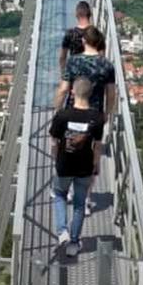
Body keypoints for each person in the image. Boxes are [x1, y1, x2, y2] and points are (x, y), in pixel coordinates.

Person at [53, 26, 115, 214]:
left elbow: (64, 89)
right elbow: (111, 93)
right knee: (92, 155)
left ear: (83, 41)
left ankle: (70, 189)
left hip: (73, 111)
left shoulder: (74, 62)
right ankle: (86, 197)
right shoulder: (107, 65)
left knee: (71, 149)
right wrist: (107, 114)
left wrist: (57, 110)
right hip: (95, 115)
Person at [49, 77, 105, 257]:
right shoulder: (97, 118)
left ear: (72, 92)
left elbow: (54, 141)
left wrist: (56, 160)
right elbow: (97, 145)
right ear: (91, 94)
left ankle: (62, 231)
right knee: (80, 205)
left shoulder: (63, 115)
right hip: (85, 167)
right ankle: (74, 242)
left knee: (59, 195)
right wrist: (96, 165)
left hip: (64, 165)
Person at [58, 1, 93, 76]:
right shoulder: (97, 35)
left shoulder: (70, 33)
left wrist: (64, 75)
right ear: (89, 15)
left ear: (76, 15)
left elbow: (62, 57)